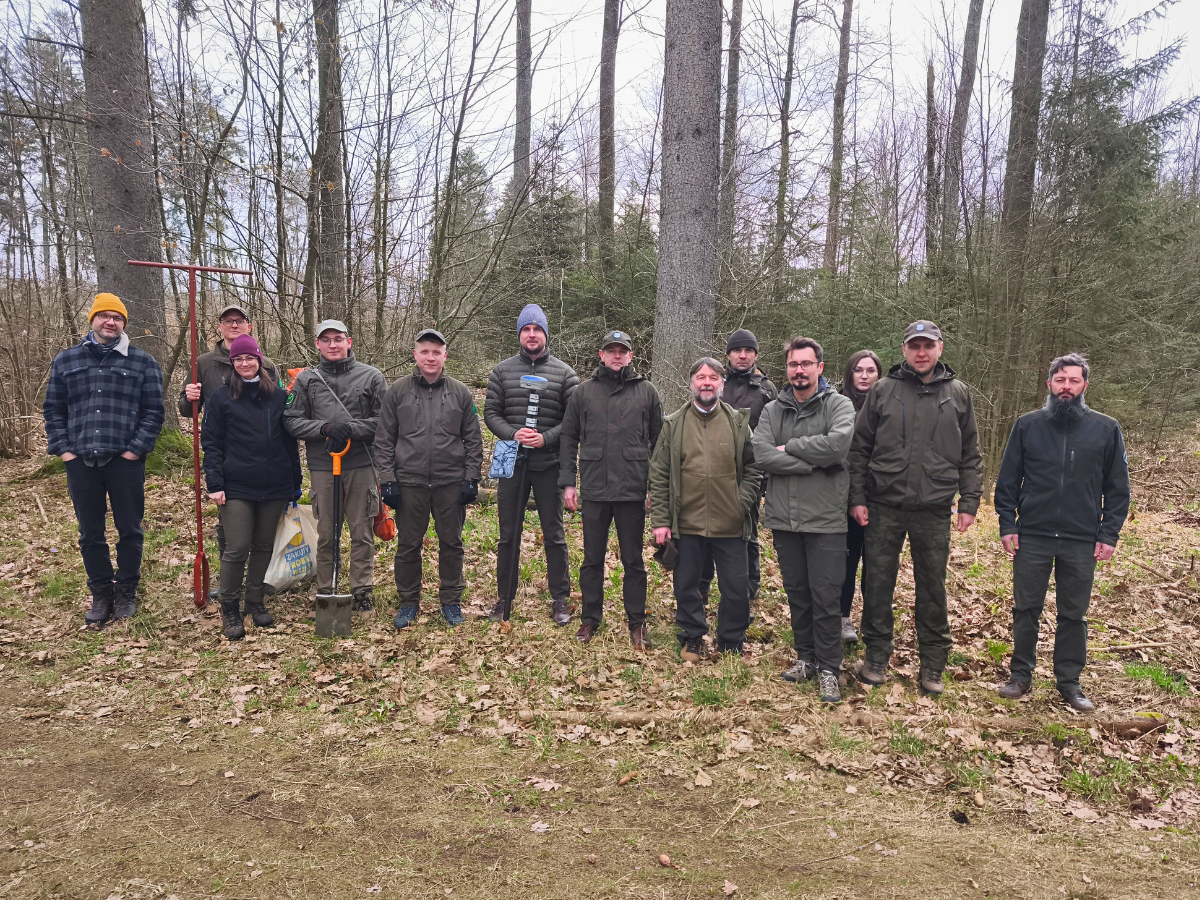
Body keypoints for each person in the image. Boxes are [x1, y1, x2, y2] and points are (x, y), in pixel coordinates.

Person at [848, 321, 982, 695]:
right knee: (876, 583)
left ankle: (933, 663)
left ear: (940, 348)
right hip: (883, 506)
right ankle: (876, 656)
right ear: (905, 350)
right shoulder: (883, 390)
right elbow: (859, 450)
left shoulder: (958, 394)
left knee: (932, 587)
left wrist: (968, 502)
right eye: (914, 345)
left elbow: (971, 454)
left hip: (934, 508)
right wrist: (858, 497)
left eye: (928, 345)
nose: (921, 352)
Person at [993, 354, 1130, 713]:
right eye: (1060, 380)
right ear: (1049, 384)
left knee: (1073, 614)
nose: (1066, 387)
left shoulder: (1106, 428)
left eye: (1073, 380)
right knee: (1026, 609)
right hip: (1033, 534)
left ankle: (1069, 683)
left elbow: (1118, 489)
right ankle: (1020, 676)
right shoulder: (1027, 426)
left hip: (1082, 538)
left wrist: (1109, 534)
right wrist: (1008, 524)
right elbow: (1007, 481)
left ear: (1085, 385)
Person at [43, 293, 164, 628]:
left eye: (118, 318)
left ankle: (126, 590)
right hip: (81, 461)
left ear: (125, 324)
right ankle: (101, 593)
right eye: (104, 316)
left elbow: (154, 412)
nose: (111, 322)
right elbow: (53, 410)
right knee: (90, 532)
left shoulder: (143, 362)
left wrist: (135, 450)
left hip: (125, 461)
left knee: (130, 529)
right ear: (92, 320)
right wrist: (65, 451)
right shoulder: (66, 360)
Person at [753, 337, 855, 703]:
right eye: (794, 364)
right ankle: (806, 658)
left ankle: (830, 668)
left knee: (825, 597)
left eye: (806, 364)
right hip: (784, 519)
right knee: (798, 594)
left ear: (819, 367)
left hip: (826, 520)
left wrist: (793, 447)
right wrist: (814, 462)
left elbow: (838, 447)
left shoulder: (839, 405)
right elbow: (762, 453)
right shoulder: (772, 410)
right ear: (788, 368)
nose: (799, 370)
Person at [649, 358, 762, 662]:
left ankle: (730, 642)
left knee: (736, 589)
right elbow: (658, 475)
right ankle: (692, 637)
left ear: (722, 384)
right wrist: (660, 521)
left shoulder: (738, 422)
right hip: (687, 523)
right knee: (686, 586)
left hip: (731, 524)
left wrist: (741, 503)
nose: (707, 382)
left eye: (713, 377)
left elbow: (754, 469)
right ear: (692, 384)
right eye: (701, 377)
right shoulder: (673, 424)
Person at [374, 329, 484, 630]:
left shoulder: (460, 393)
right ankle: (409, 602)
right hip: (410, 483)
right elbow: (383, 440)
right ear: (416, 354)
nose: (431, 357)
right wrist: (387, 480)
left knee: (452, 543)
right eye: (425, 351)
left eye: (437, 352)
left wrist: (471, 478)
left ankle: (450, 602)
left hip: (451, 483)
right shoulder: (397, 391)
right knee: (408, 545)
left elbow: (473, 439)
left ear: (445, 356)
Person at [559, 331, 663, 648]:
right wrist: (568, 482)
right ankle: (590, 620)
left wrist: (654, 489)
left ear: (631, 356)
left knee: (633, 561)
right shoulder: (583, 393)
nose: (617, 355)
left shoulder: (647, 392)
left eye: (623, 351)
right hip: (594, 488)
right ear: (601, 355)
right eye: (611, 350)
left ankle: (637, 623)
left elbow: (659, 445)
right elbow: (568, 438)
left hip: (632, 490)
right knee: (592, 560)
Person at [200, 335, 302, 641]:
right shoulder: (221, 398)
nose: (245, 364)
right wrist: (215, 483)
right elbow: (212, 444)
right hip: (236, 486)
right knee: (238, 546)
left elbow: (290, 444)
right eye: (239, 360)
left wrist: (295, 483)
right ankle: (230, 607)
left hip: (275, 484)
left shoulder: (279, 397)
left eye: (250, 358)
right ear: (232, 364)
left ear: (260, 361)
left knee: (263, 545)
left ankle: (254, 600)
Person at [485, 303, 580, 625]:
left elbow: (573, 421)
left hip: (549, 463)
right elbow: (491, 414)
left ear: (545, 334)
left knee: (554, 534)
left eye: (537, 329)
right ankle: (504, 598)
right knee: (507, 534)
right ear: (519, 334)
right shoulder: (502, 371)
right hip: (511, 463)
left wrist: (547, 437)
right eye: (526, 329)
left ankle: (560, 599)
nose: (532, 335)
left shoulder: (565, 374)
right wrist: (513, 433)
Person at [284, 320, 388, 615]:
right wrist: (325, 428)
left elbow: (386, 420)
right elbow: (291, 420)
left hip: (361, 465)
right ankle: (326, 590)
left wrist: (351, 429)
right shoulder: (307, 380)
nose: (332, 344)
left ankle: (361, 591)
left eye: (338, 339)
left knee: (361, 532)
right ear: (317, 344)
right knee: (327, 534)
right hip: (323, 466)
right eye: (326, 340)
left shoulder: (372, 376)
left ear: (349, 341)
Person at [180, 304, 281, 601]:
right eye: (228, 321)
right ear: (220, 326)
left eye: (240, 321)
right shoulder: (205, 363)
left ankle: (255, 588)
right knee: (231, 531)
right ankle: (229, 587)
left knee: (259, 536)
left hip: (262, 462)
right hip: (226, 454)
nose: (234, 325)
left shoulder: (268, 365)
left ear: (249, 326)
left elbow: (274, 408)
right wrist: (189, 398)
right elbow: (187, 409)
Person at [697, 329, 778, 606]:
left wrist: (763, 478)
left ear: (756, 355)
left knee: (748, 534)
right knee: (706, 533)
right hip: (712, 473)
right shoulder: (717, 383)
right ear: (729, 354)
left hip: (750, 476)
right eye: (737, 351)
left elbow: (772, 436)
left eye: (748, 351)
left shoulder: (766, 389)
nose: (742, 356)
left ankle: (747, 589)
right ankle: (702, 588)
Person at [838, 349, 882, 643]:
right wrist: (855, 498)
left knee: (877, 564)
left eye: (870, 370)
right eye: (859, 370)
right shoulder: (838, 405)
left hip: (882, 496)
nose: (864, 376)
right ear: (850, 373)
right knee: (848, 560)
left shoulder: (889, 404)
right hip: (845, 496)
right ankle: (842, 618)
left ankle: (874, 619)